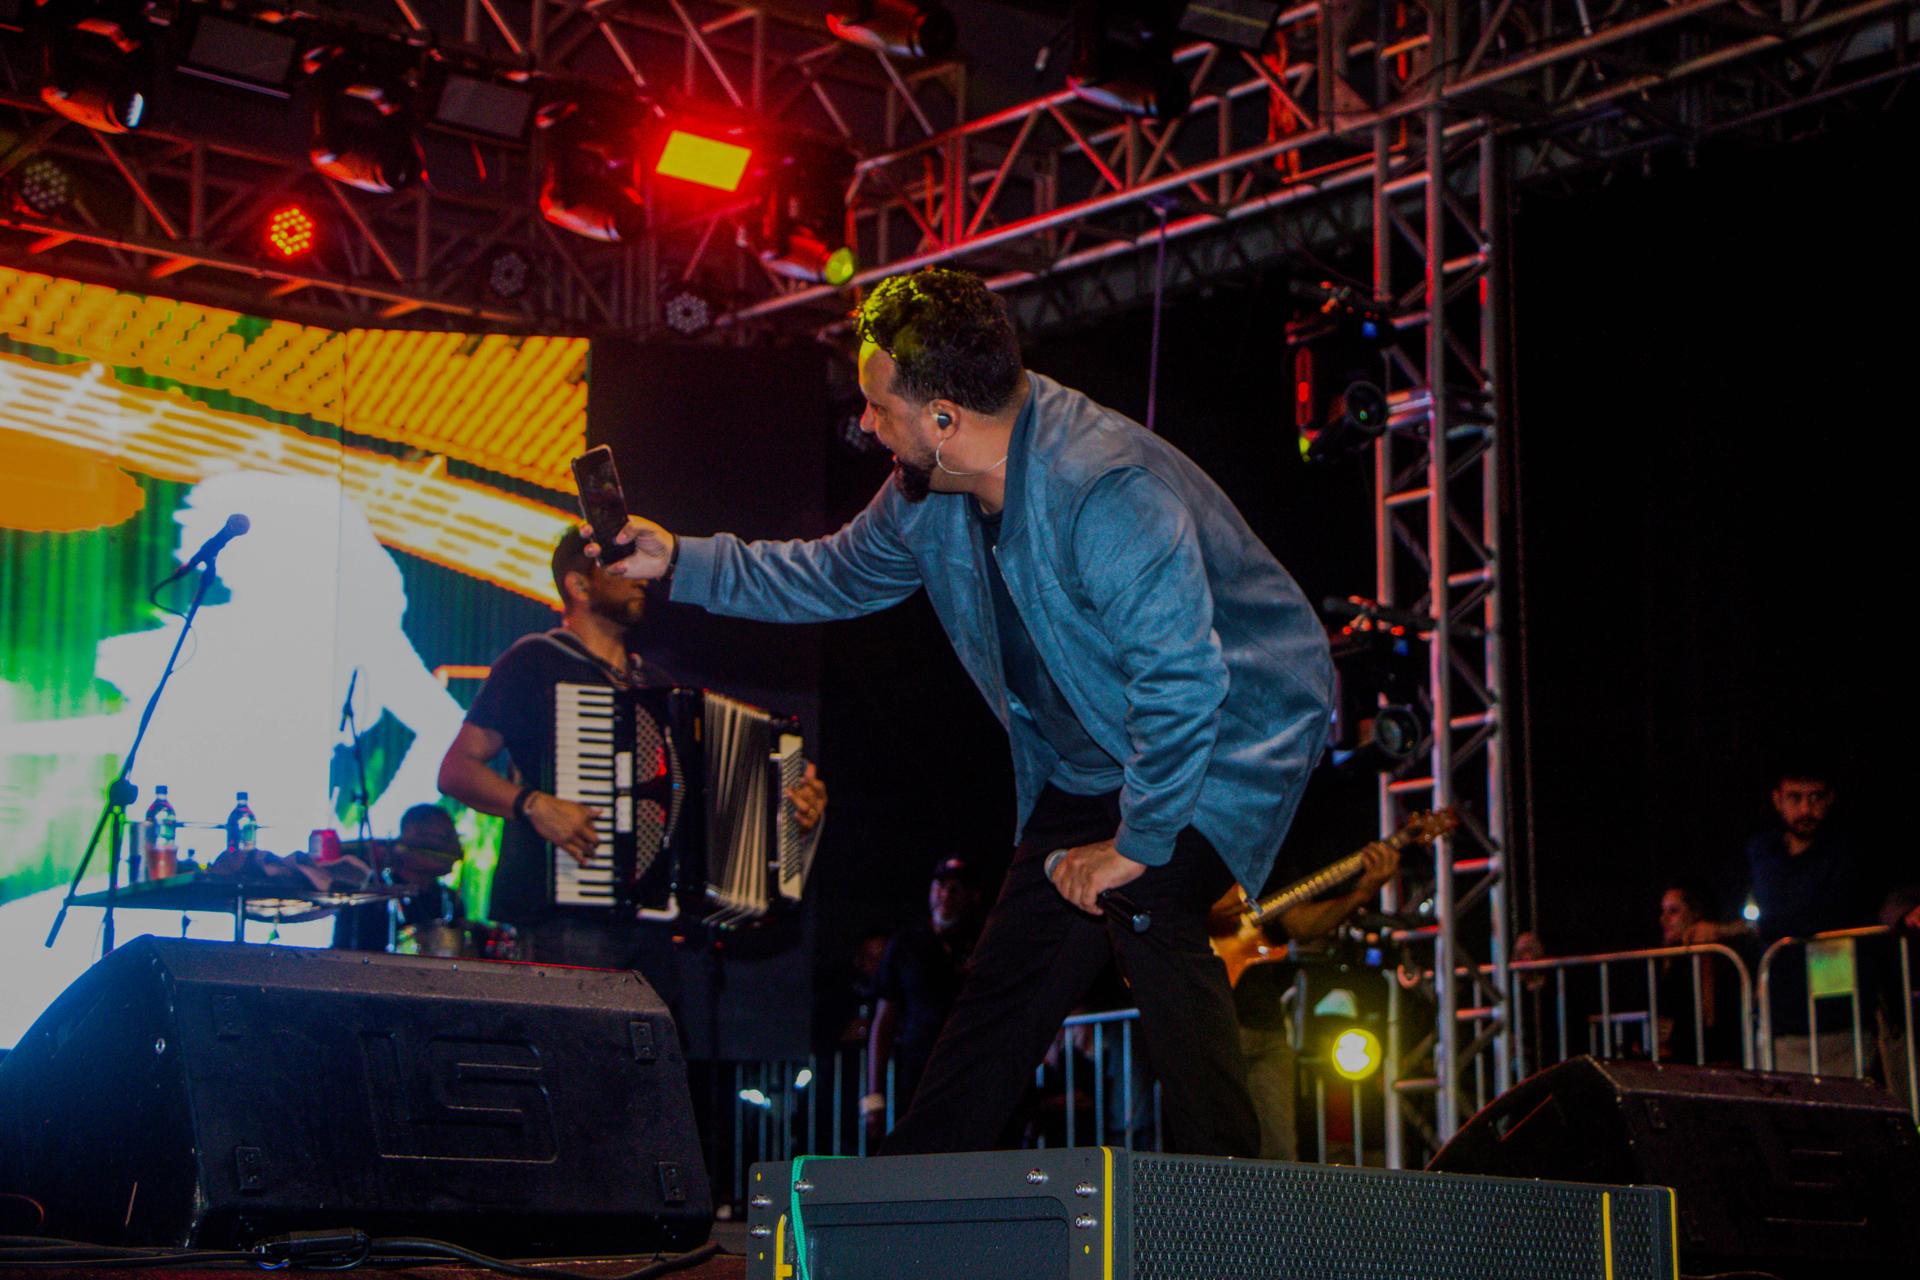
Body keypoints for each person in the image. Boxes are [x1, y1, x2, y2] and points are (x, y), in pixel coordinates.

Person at [589, 266, 1334, 1157]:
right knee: (1011, 971)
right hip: (1097, 751)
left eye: (880, 408)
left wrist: (1134, 845)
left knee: (1149, 900)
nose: (867, 425)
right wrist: (681, 561)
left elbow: (1182, 686)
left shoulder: (1105, 490)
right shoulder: (926, 492)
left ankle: (1230, 1189)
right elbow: (830, 574)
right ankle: (917, 1183)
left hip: (1232, 726)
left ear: (944, 418)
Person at [436, 530, 827, 968]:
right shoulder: (536, 661)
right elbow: (455, 770)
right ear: (579, 585)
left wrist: (786, 812)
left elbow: (701, 805)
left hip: (655, 929)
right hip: (562, 923)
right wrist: (534, 804)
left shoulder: (657, 687)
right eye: (620, 567)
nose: (640, 578)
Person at [1683, 763, 1875, 1073]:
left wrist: (1731, 929)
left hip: (1838, 1015)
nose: (1805, 809)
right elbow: (1766, 910)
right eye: (1795, 798)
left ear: (1829, 799)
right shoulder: (1763, 851)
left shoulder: (1845, 850)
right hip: (1781, 1015)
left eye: (1815, 797)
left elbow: (1815, 914)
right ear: (1777, 799)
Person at [1235, 839, 1399, 1160]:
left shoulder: (1264, 847)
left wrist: (1362, 892)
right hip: (1206, 1018)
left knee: (1280, 1155)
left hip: (1264, 1022)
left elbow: (1299, 924)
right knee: (1214, 1148)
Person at [864, 858, 984, 1140]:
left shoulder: (982, 941)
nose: (946, 895)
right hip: (919, 1072)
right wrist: (874, 1097)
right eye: (940, 886)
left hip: (972, 1070)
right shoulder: (907, 944)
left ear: (972, 896)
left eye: (955, 888)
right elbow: (883, 1021)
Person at [332, 803, 468, 952]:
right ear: (411, 833)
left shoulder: (448, 899)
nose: (456, 849)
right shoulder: (369, 898)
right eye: (445, 837)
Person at [1653, 883, 1741, 1064]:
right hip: (1679, 1058)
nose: (1664, 919)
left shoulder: (1713, 954)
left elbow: (1711, 1017)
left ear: (1694, 914)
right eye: (1663, 911)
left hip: (1709, 1057)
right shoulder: (1668, 957)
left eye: (1674, 911)